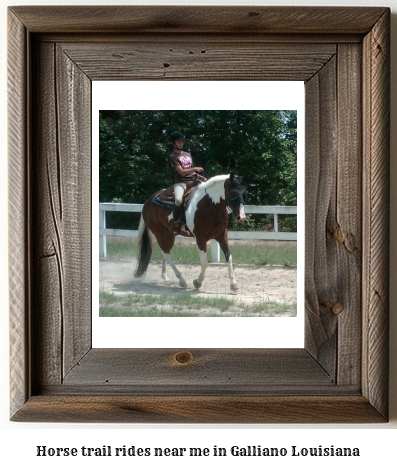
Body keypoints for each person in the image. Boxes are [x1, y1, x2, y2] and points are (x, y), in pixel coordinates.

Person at [169, 131, 206, 234]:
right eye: (178, 141)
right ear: (173, 143)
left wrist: (200, 177)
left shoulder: (187, 154)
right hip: (181, 183)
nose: (181, 143)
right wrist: (195, 168)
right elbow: (181, 172)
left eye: (182, 141)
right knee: (178, 200)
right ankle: (176, 223)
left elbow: (191, 170)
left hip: (193, 180)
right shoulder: (173, 156)